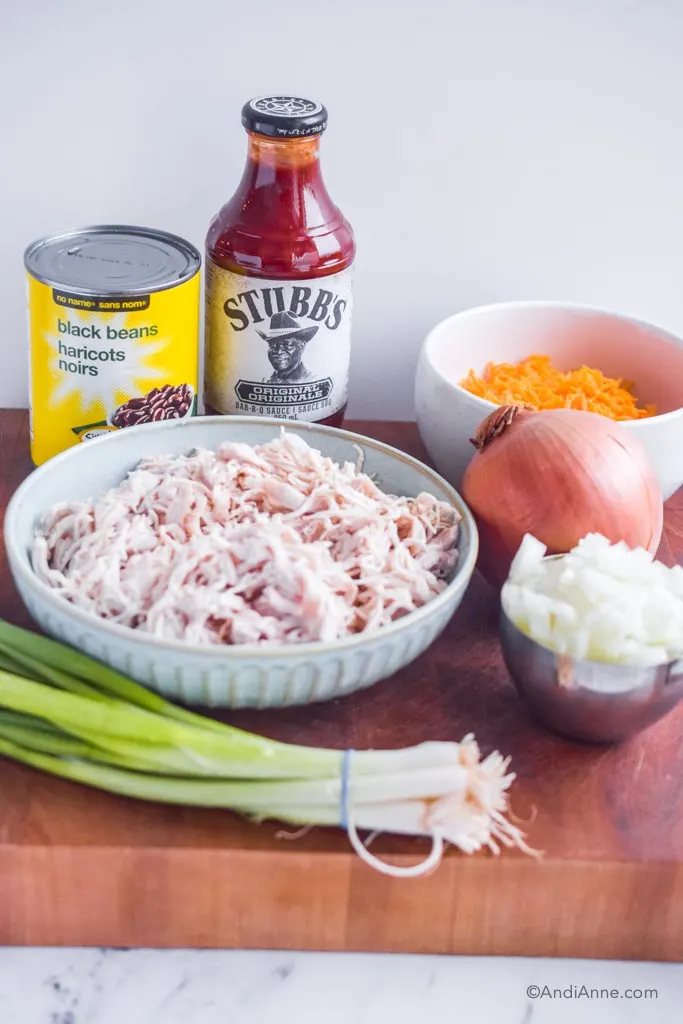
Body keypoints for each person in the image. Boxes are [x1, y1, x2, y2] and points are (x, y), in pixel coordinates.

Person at [257, 311, 318, 383]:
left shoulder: (311, 381)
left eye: (287, 345)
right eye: (272, 345)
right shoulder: (266, 381)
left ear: (301, 346)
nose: (279, 351)